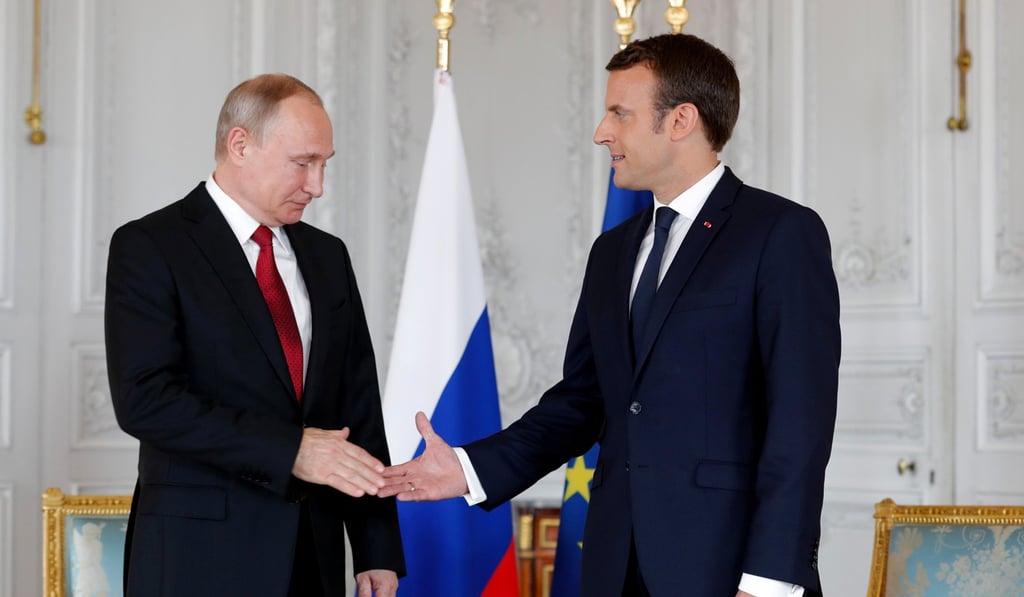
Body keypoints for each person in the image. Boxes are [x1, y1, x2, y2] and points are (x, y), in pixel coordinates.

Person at [380, 33, 840, 597]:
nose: (602, 133)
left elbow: (800, 423)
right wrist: (471, 469)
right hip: (613, 565)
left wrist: (771, 580)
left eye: (620, 114)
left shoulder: (780, 234)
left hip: (729, 570)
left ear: (681, 121)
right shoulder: (613, 251)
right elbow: (582, 402)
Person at [105, 74, 404, 596]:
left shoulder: (327, 256)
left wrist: (376, 548)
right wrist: (292, 450)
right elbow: (146, 402)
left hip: (314, 557)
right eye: (302, 163)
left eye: (324, 164)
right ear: (240, 144)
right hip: (196, 559)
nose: (317, 186)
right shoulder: (149, 245)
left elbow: (357, 408)